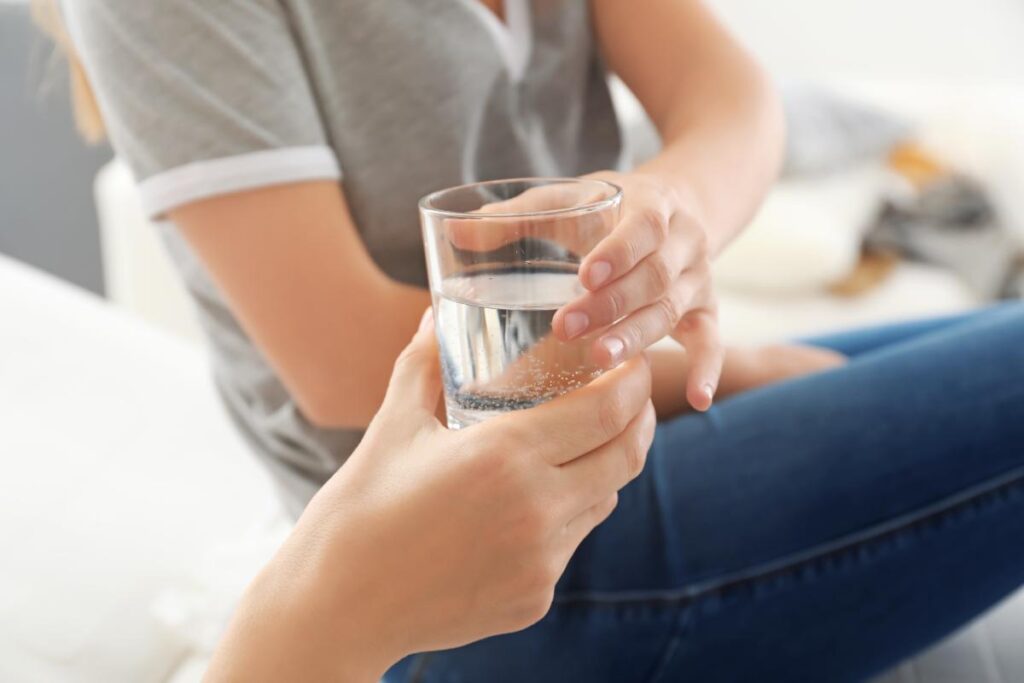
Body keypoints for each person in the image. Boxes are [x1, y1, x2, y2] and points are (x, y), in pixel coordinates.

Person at [42, 0, 1024, 680]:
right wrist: (713, 370)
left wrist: (669, 202)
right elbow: (344, 365)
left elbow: (731, 98)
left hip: (620, 442)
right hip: (479, 570)